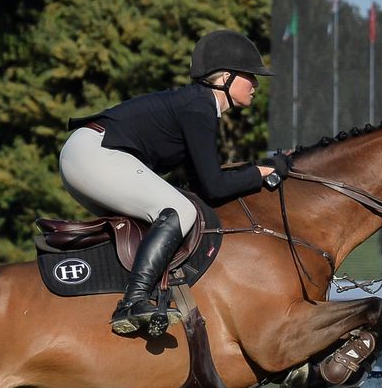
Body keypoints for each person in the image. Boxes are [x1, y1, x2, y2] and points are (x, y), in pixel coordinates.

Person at [60, 30, 277, 336]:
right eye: (250, 76)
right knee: (180, 211)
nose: (256, 84)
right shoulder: (199, 107)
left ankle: (118, 290)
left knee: (165, 213)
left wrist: (256, 170)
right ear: (225, 78)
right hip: (96, 154)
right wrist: (261, 173)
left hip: (86, 154)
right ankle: (133, 302)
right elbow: (215, 186)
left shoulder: (195, 104)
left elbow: (201, 184)